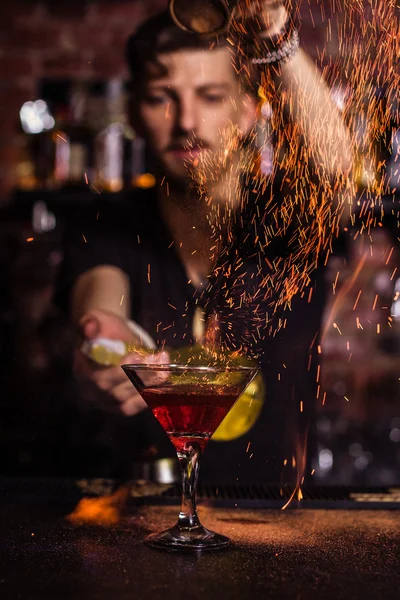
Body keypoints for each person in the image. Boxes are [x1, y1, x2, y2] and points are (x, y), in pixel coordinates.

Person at [61, 2, 352, 484]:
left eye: (211, 96)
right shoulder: (108, 223)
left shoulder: (289, 217)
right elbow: (102, 304)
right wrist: (107, 347)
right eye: (161, 97)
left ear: (246, 110)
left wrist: (276, 33)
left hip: (283, 521)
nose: (187, 122)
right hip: (145, 517)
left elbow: (340, 174)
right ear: (134, 111)